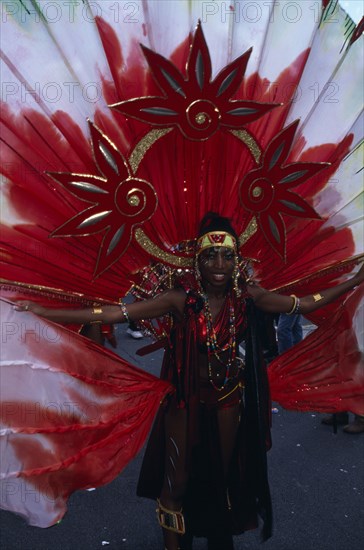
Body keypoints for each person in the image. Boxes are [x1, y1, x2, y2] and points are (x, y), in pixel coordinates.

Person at [15, 212, 364, 550]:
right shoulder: (180, 300)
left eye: (227, 256)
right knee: (176, 483)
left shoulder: (248, 296)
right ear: (197, 260)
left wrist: (354, 280)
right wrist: (47, 313)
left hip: (228, 399)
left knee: (222, 476)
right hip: (184, 401)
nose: (218, 265)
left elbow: (301, 304)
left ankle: (215, 531)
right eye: (210, 256)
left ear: (236, 261)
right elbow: (110, 313)